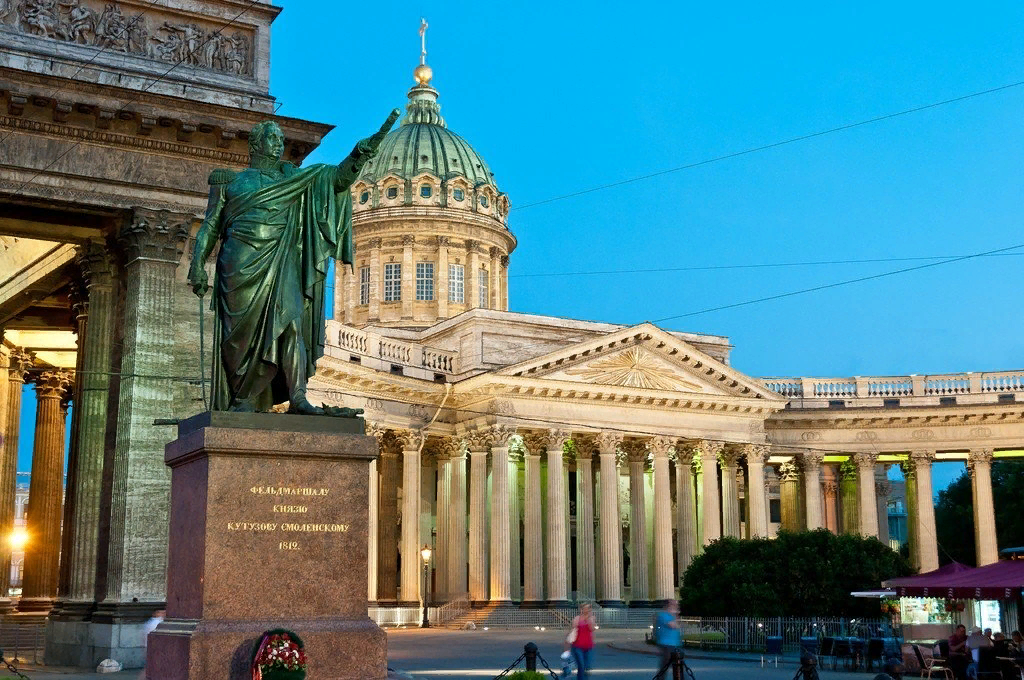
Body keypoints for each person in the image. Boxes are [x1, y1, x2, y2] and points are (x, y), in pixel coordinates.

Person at [564, 603, 596, 679]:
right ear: (581, 609)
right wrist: (567, 642)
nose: (586, 610)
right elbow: (572, 630)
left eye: (588, 608)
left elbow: (592, 629)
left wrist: (589, 619)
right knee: (581, 665)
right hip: (577, 645)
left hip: (588, 646)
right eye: (585, 608)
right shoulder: (577, 618)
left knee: (586, 666)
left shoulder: (592, 618)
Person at [653, 600, 682, 679]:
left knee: (678, 666)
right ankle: (660, 678)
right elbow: (673, 625)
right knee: (665, 665)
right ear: (668, 605)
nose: (676, 606)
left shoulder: (671, 615)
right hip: (666, 644)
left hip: (674, 644)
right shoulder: (663, 615)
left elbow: (677, 625)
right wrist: (675, 614)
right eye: (674, 604)